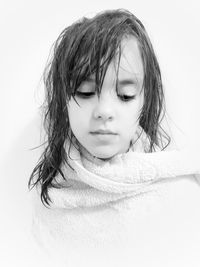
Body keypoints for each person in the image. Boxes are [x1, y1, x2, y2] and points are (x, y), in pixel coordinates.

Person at [29, 9, 200, 266]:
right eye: (85, 92)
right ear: (64, 100)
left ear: (144, 100)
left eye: (125, 95)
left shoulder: (181, 197)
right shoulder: (51, 199)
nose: (104, 112)